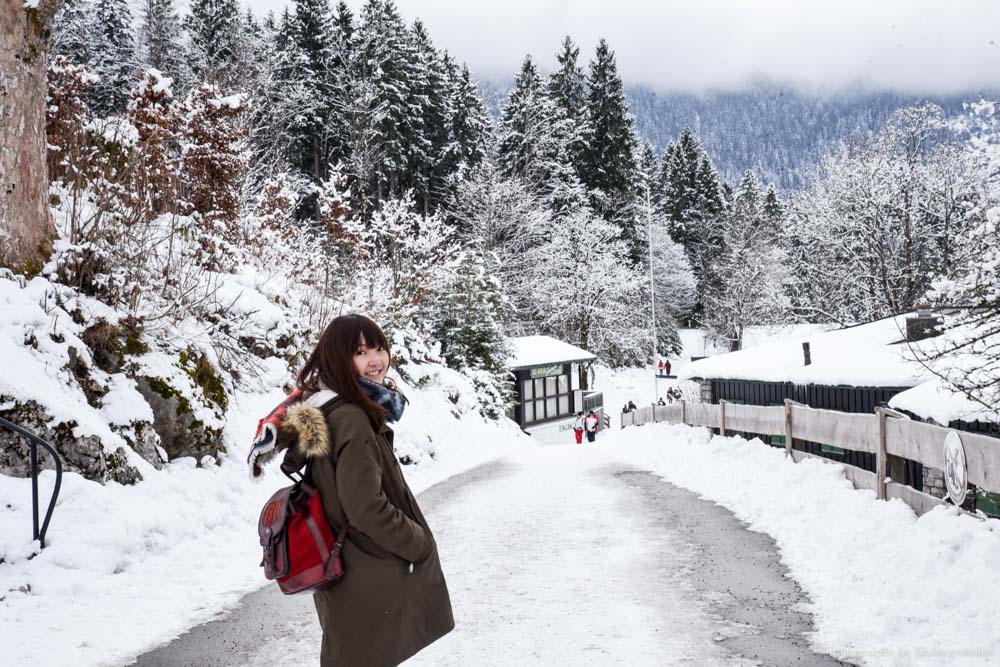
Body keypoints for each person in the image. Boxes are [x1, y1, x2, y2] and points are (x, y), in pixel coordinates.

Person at [249, 314, 453, 666]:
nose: (375, 360)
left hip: (344, 570)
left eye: (379, 348)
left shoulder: (324, 408)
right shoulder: (352, 418)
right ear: (339, 359)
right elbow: (365, 507)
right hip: (366, 573)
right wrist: (418, 543)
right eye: (360, 352)